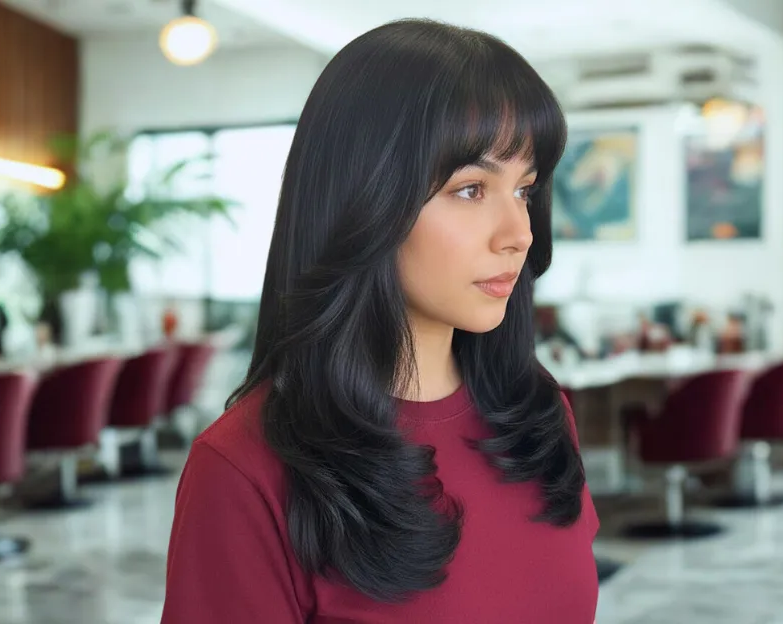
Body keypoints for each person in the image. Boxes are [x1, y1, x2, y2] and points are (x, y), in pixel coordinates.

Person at [162, 19, 599, 623]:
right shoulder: (246, 471)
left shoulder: (537, 416)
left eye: (524, 190)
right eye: (471, 189)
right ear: (363, 198)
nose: (518, 234)